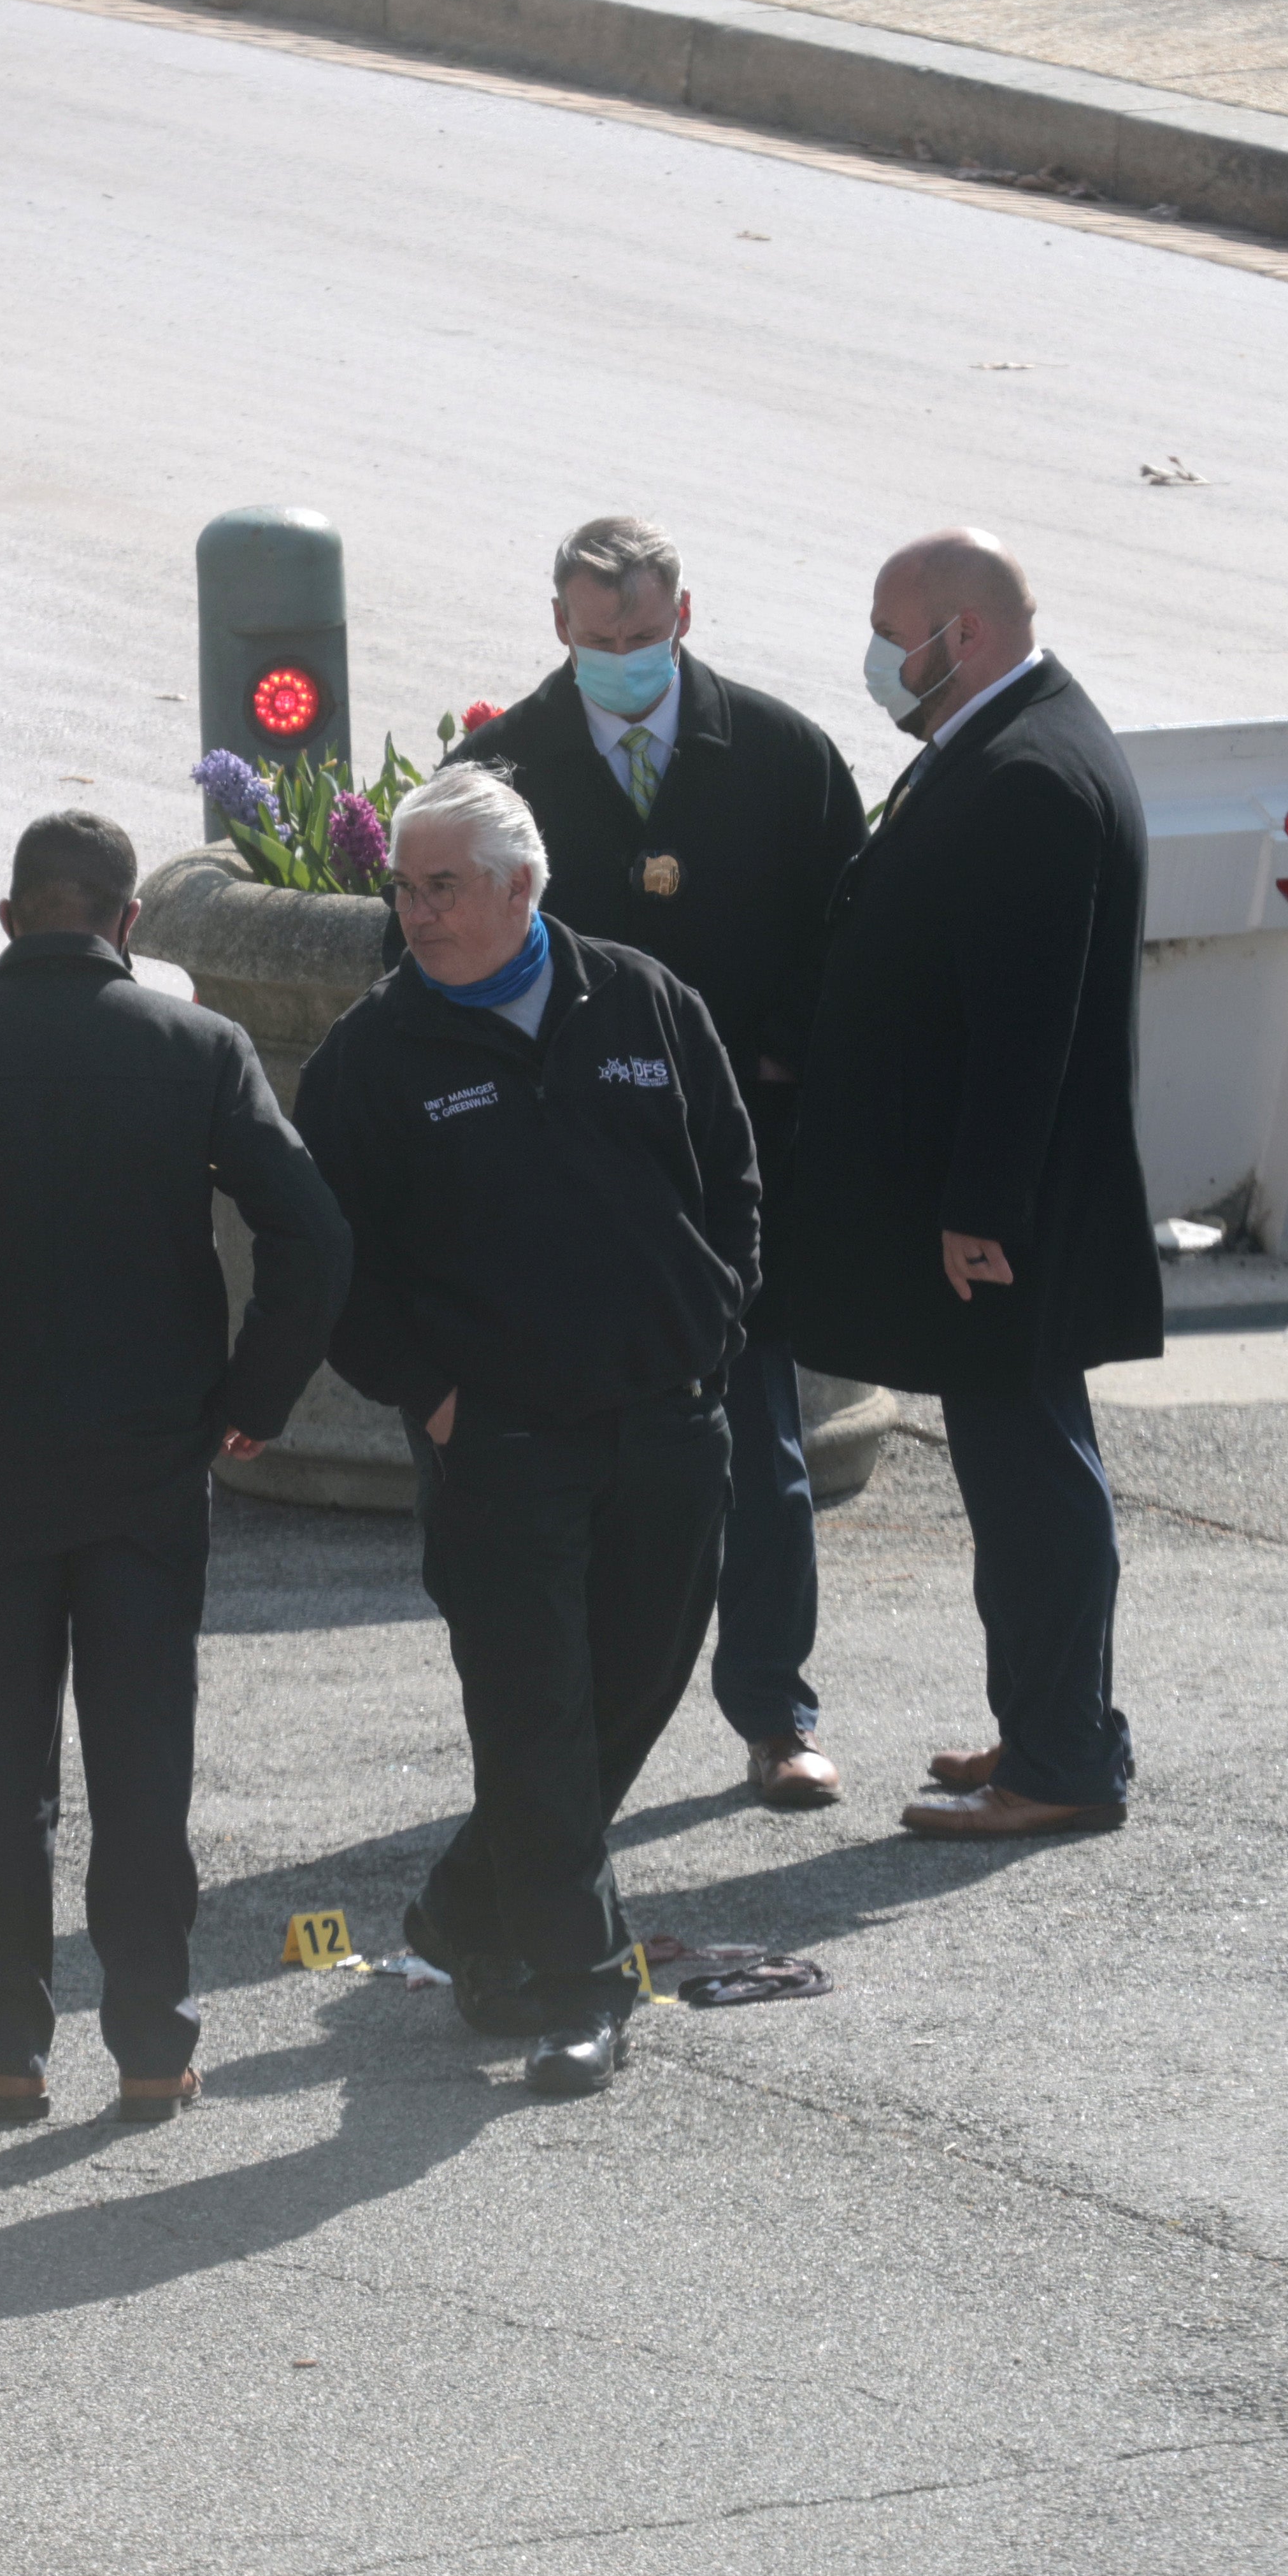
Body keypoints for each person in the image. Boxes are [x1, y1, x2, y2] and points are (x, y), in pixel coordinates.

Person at [0, 810, 347, 2126]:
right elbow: (313, 1239)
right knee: (141, 1768)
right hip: (149, 1466)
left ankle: (2, 2050)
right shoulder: (198, 1048)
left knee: (1, 1783)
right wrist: (249, 1399)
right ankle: (155, 2048)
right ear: (126, 923)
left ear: (9, 918)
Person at [294, 768, 757, 2094]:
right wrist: (432, 1396)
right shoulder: (376, 1055)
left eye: (443, 887)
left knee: (635, 1686)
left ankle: (459, 1904)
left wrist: (718, 1321)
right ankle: (579, 1983)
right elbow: (330, 1256)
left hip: (669, 1419)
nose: (417, 912)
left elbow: (731, 1174)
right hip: (499, 1444)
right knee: (534, 1715)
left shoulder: (643, 999)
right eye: (404, 886)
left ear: (523, 889)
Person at [450, 516, 866, 1812]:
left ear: (683, 619)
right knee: (568, 1480)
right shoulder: (503, 770)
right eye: (598, 637)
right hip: (565, 1184)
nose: (621, 657)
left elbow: (848, 932)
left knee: (760, 1451)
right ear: (560, 626)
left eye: (642, 636)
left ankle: (774, 1711)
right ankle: (575, 1738)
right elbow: (436, 956)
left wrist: (793, 1064)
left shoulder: (785, 756)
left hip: (731, 1169)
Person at [785, 529, 1161, 1841]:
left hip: (1012, 1218)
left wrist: (980, 1211)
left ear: (968, 636)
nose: (882, 658)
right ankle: (1053, 1725)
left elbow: (1024, 1031)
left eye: (896, 631)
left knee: (1033, 1483)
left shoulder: (1031, 778)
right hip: (1004, 1206)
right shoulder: (1014, 742)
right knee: (1026, 1475)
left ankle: (1060, 1762)